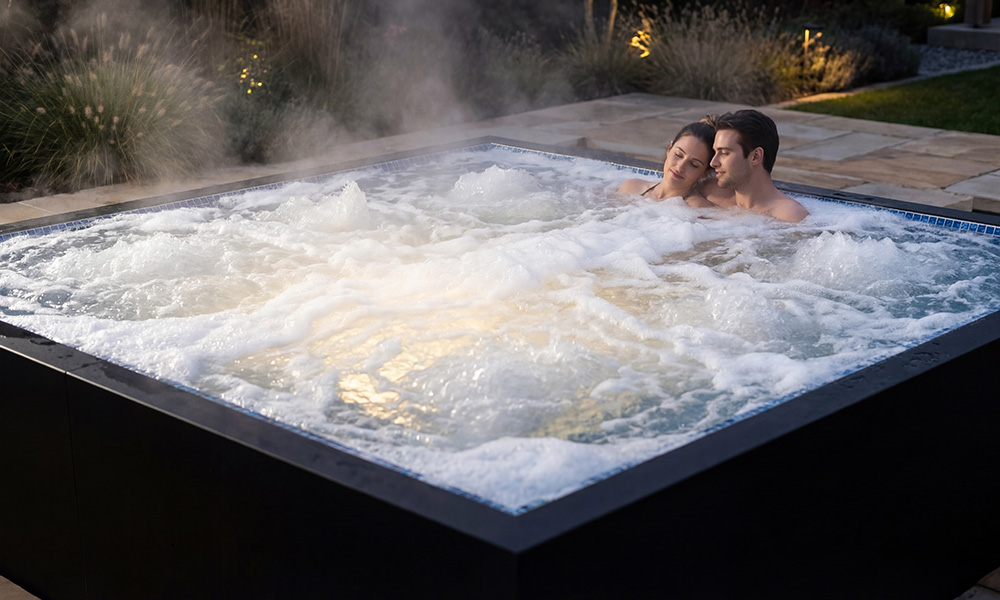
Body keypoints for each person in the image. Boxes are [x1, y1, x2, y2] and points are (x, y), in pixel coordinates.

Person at [700, 110, 809, 223]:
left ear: (756, 156)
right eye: (715, 152)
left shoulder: (790, 218)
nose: (713, 163)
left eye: (724, 153)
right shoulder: (713, 199)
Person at [617, 120, 718, 208]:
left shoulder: (698, 211)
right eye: (679, 154)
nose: (680, 167)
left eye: (693, 164)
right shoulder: (630, 188)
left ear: (705, 173)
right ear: (669, 149)